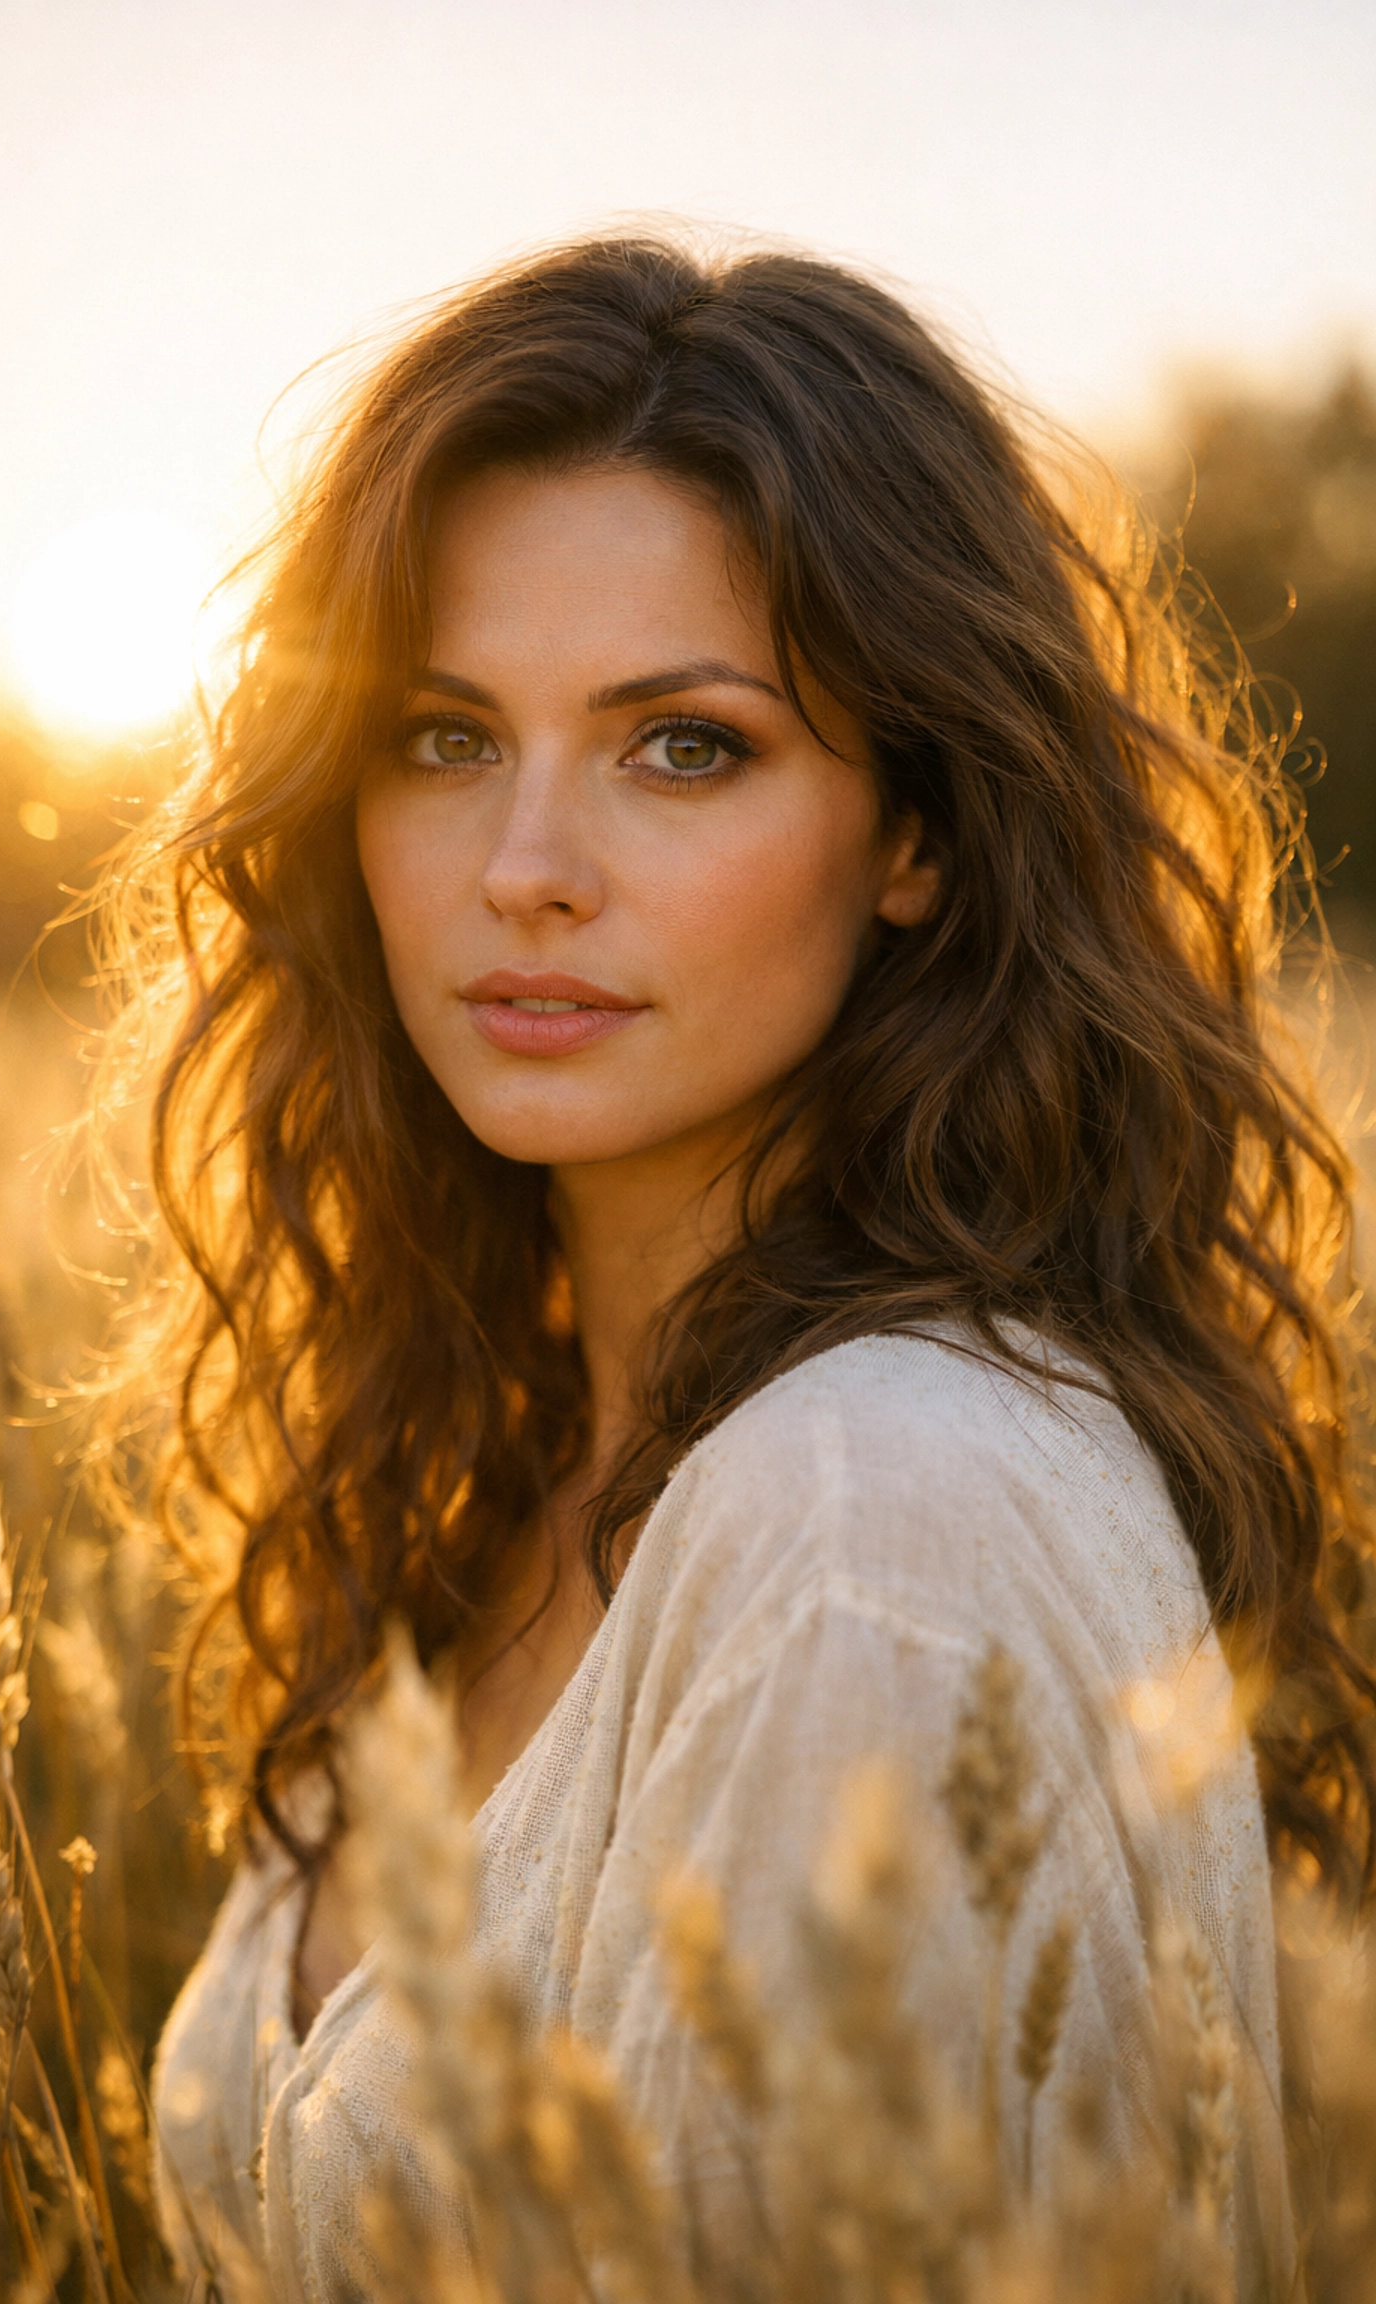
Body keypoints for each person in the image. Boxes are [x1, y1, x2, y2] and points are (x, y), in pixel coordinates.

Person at [117, 235, 1373, 2299]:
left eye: (682, 745)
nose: (527, 862)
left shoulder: (873, 1505)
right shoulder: (523, 1467)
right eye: (442, 738)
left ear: (920, 832)